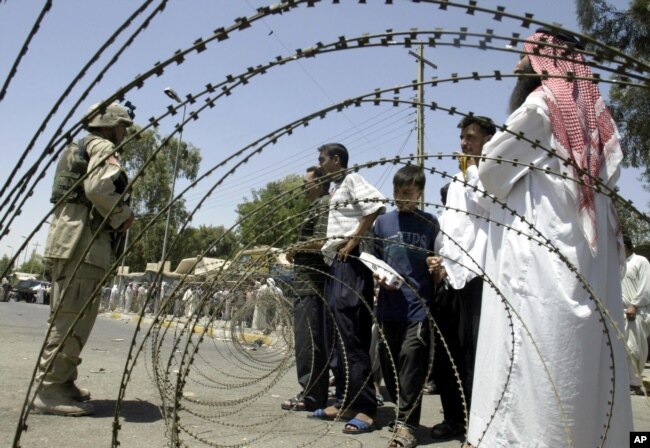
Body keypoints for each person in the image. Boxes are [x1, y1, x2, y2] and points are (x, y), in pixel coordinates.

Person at [466, 30, 632, 447]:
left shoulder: (539, 108)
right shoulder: (593, 117)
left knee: (534, 368)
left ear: (543, 62)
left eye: (525, 58)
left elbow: (490, 173)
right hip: (584, 264)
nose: (518, 65)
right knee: (579, 369)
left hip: (540, 264)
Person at [34, 102, 135, 416]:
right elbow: (99, 187)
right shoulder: (102, 146)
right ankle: (49, 390)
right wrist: (123, 215)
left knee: (70, 316)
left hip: (70, 239)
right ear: (108, 125)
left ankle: (63, 381)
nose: (125, 133)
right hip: (85, 244)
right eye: (123, 126)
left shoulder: (76, 146)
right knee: (71, 319)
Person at [429, 116, 496, 441]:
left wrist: (472, 170)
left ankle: (476, 427)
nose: (464, 143)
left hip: (476, 277)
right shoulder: (456, 181)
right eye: (463, 137)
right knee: (447, 357)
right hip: (449, 277)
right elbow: (451, 226)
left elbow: (485, 206)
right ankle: (453, 418)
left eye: (471, 137)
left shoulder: (491, 176)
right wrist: (438, 256)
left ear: (488, 140)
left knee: (472, 359)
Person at [313, 142, 386, 434]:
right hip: (336, 264)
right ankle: (344, 400)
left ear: (336, 159)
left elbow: (378, 203)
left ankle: (366, 409)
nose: (320, 165)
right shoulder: (337, 189)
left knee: (352, 337)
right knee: (337, 336)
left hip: (351, 264)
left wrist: (354, 239)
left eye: (322, 159)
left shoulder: (353, 179)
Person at [373, 165, 439, 448]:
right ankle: (401, 415)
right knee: (390, 367)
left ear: (420, 193)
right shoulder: (383, 223)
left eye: (408, 193)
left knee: (411, 361)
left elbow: (439, 264)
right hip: (389, 307)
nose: (401, 198)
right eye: (397, 193)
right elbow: (376, 259)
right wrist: (377, 275)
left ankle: (407, 426)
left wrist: (437, 267)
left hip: (418, 307)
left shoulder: (430, 223)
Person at [282, 166, 331, 412]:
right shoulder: (317, 205)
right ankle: (312, 392)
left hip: (312, 284)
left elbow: (322, 242)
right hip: (305, 283)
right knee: (307, 342)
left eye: (306, 182)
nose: (303, 186)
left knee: (309, 343)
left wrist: (295, 248)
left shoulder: (323, 203)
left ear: (319, 183)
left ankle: (311, 396)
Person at [622, 234, 650, 394]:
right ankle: (626, 380)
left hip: (636, 312)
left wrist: (634, 304)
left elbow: (646, 286)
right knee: (624, 348)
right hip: (622, 312)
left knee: (634, 348)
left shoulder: (640, 261)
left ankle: (634, 383)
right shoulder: (619, 265)